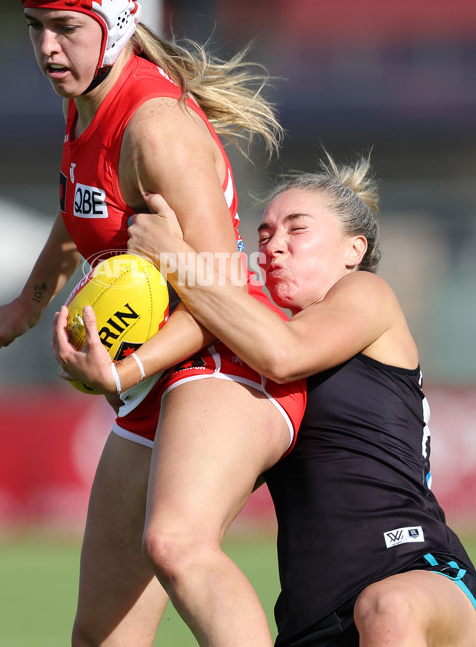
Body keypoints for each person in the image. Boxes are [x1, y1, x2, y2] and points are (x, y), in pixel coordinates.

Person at [0, 0, 305, 646]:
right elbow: (80, 214)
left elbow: (222, 296)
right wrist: (25, 309)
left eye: (65, 27)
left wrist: (124, 368)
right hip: (162, 373)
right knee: (101, 635)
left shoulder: (155, 130)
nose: (48, 49)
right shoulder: (84, 100)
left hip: (227, 364)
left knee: (178, 546)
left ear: (118, 20)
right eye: (36, 29)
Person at [118, 152, 476, 646]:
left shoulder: (365, 293)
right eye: (263, 236)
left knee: (387, 608)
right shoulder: (248, 355)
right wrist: (119, 367)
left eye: (297, 229)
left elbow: (284, 354)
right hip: (311, 619)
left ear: (354, 248)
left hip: (417, 572)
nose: (273, 246)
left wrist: (177, 258)